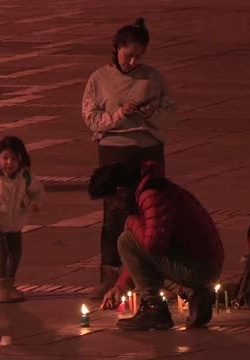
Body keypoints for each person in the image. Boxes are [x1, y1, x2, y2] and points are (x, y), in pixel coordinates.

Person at [81, 17, 177, 300]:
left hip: (148, 149)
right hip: (115, 149)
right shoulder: (99, 79)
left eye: (138, 57)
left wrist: (149, 114)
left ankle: (154, 273)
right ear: (115, 49)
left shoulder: (153, 78)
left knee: (152, 211)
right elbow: (90, 117)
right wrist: (119, 114)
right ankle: (110, 275)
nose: (133, 62)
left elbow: (172, 113)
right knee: (114, 214)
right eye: (128, 55)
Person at [89, 161, 224, 331]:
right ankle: (192, 292)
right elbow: (145, 259)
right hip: (200, 264)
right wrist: (119, 287)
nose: (114, 208)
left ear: (120, 191)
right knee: (138, 254)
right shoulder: (147, 191)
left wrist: (131, 220)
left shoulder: (151, 196)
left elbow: (153, 246)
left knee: (125, 241)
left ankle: (155, 310)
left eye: (111, 202)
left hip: (200, 266)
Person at [0, 136, 45, 303]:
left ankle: (9, 284)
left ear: (21, 160)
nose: (9, 163)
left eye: (13, 159)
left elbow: (38, 191)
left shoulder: (25, 176)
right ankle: (3, 288)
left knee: (15, 253)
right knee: (0, 254)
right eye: (5, 158)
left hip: (15, 223)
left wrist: (36, 203)